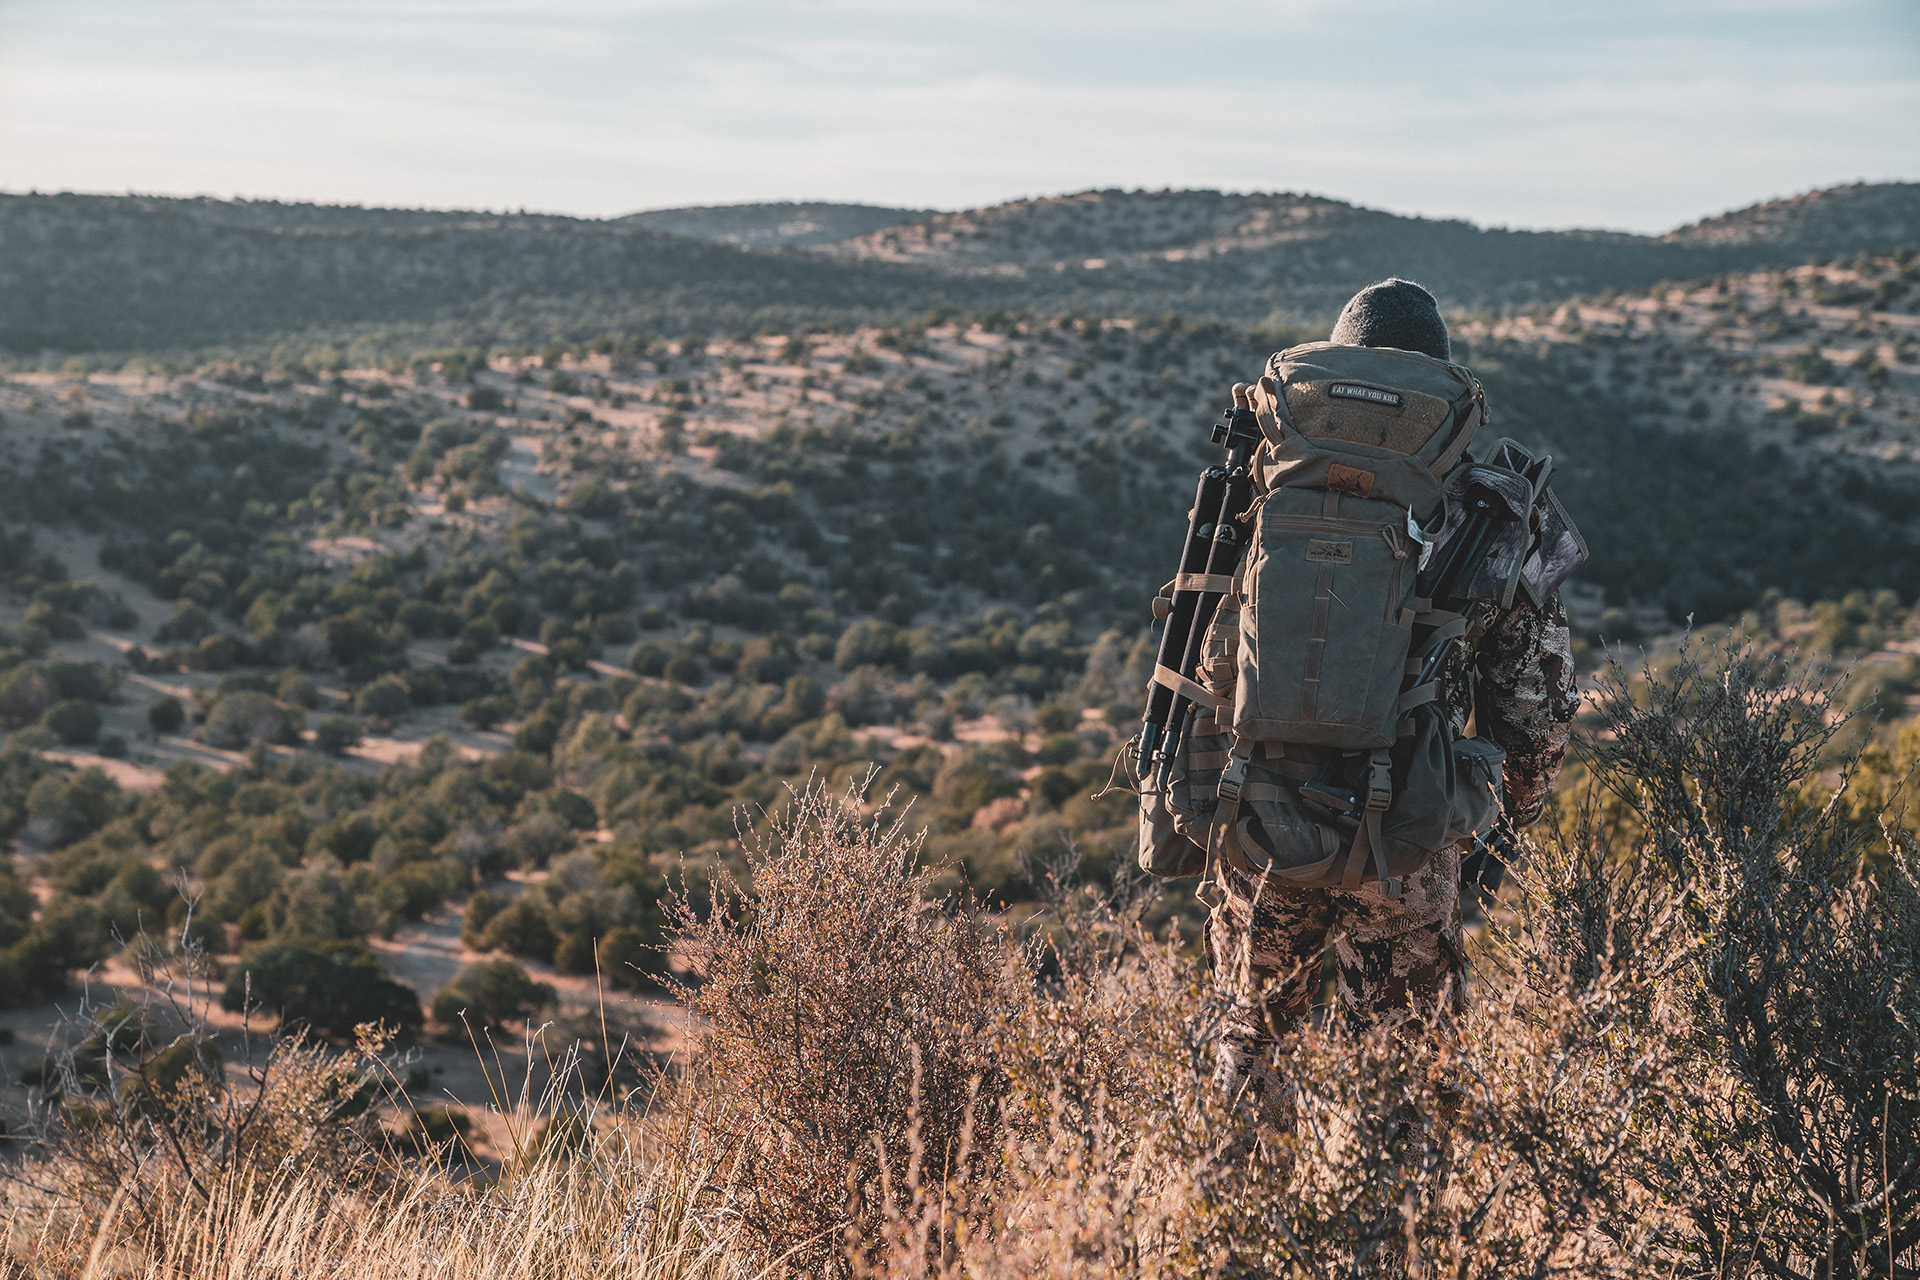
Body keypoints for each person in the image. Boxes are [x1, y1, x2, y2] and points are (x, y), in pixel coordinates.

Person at [1207, 277, 1579, 1103]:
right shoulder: (1488, 510)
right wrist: (1502, 826)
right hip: (1406, 836)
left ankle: (1229, 1223)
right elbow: (1537, 711)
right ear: (1438, 382)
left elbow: (1208, 647)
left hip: (1260, 810)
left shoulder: (1263, 487)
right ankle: (1387, 1229)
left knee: (1249, 1045)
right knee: (1403, 1079)